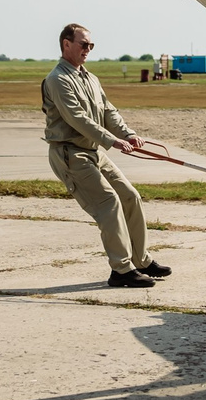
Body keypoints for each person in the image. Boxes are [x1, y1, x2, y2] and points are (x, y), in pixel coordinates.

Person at [41, 22, 172, 288]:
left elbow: (108, 111)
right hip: (70, 154)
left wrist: (127, 134)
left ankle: (141, 261)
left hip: (92, 150)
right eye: (83, 44)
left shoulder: (90, 78)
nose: (88, 49)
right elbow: (77, 119)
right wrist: (112, 141)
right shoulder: (57, 80)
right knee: (108, 203)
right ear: (66, 44)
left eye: (91, 45)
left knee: (130, 197)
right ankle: (121, 270)